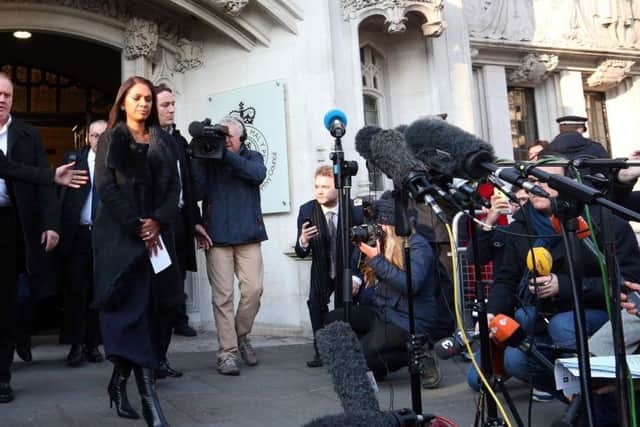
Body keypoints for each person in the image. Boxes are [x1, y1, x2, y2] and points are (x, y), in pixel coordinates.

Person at [476, 162, 640, 398]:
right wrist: (492, 312)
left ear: (571, 185)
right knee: (515, 359)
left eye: (548, 179)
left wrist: (562, 285)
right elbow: (506, 279)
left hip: (598, 311)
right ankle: (574, 398)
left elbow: (627, 283)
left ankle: (592, 402)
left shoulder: (603, 223)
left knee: (563, 325)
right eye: (533, 180)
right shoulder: (521, 225)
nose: (537, 185)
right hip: (541, 314)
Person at [93, 76, 181, 427]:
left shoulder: (163, 141)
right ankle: (151, 404)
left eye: (147, 99)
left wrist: (157, 221)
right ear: (123, 102)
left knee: (153, 313)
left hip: (156, 239)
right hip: (119, 239)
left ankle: (118, 382)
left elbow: (173, 188)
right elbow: (106, 188)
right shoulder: (111, 139)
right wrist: (137, 224)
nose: (143, 104)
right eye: (137, 98)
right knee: (130, 314)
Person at [0, 72, 62, 403]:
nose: (1, 99)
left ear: (13, 99)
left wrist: (51, 224)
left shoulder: (27, 135)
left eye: (6, 94)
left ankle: (2, 377)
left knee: (8, 303)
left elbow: (42, 185)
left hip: (11, 226)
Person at [333, 196, 440, 387]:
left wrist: (376, 259)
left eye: (379, 224)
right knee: (335, 320)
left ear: (391, 225)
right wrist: (363, 245)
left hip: (409, 318)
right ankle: (378, 359)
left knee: (362, 358)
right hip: (383, 311)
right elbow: (360, 267)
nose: (376, 228)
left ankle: (417, 354)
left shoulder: (417, 246)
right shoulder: (383, 242)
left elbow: (410, 285)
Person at [191, 115, 267, 376]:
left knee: (254, 290)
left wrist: (225, 155)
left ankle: (239, 335)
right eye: (220, 137)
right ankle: (227, 353)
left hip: (249, 235)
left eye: (228, 137)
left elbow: (257, 175)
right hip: (218, 236)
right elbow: (197, 192)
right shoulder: (209, 158)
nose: (223, 141)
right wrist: (199, 154)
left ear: (240, 139)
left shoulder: (252, 156)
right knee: (222, 297)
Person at [153, 85, 212, 379]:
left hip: (177, 224)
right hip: (153, 227)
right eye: (165, 104)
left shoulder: (178, 140)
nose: (171, 109)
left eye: (173, 104)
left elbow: (186, 185)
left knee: (173, 293)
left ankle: (160, 359)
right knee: (155, 295)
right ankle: (146, 361)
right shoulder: (146, 139)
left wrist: (195, 220)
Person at [295, 165, 363, 368]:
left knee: (345, 311)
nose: (319, 191)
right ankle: (322, 352)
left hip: (347, 269)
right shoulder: (307, 210)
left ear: (338, 188)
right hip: (321, 269)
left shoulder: (353, 209)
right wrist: (303, 241)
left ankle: (346, 352)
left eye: (325, 186)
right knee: (316, 307)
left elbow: (362, 247)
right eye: (316, 186)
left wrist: (357, 277)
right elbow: (301, 252)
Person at [58, 119, 107, 367]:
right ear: (88, 137)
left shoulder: (115, 164)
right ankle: (76, 345)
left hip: (105, 238)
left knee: (99, 291)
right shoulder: (73, 162)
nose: (98, 139)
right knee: (77, 290)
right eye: (95, 135)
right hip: (77, 236)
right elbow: (60, 197)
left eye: (103, 135)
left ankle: (93, 344)